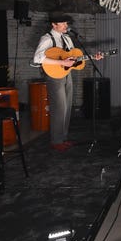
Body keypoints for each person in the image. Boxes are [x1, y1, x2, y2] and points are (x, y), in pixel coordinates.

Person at [33, 12, 103, 151]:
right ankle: (56, 140)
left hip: (66, 74)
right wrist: (60, 61)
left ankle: (63, 137)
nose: (66, 25)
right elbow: (37, 58)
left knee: (67, 107)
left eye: (67, 23)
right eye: (63, 23)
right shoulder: (47, 38)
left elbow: (72, 58)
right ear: (54, 24)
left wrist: (92, 57)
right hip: (53, 76)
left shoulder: (67, 39)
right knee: (59, 108)